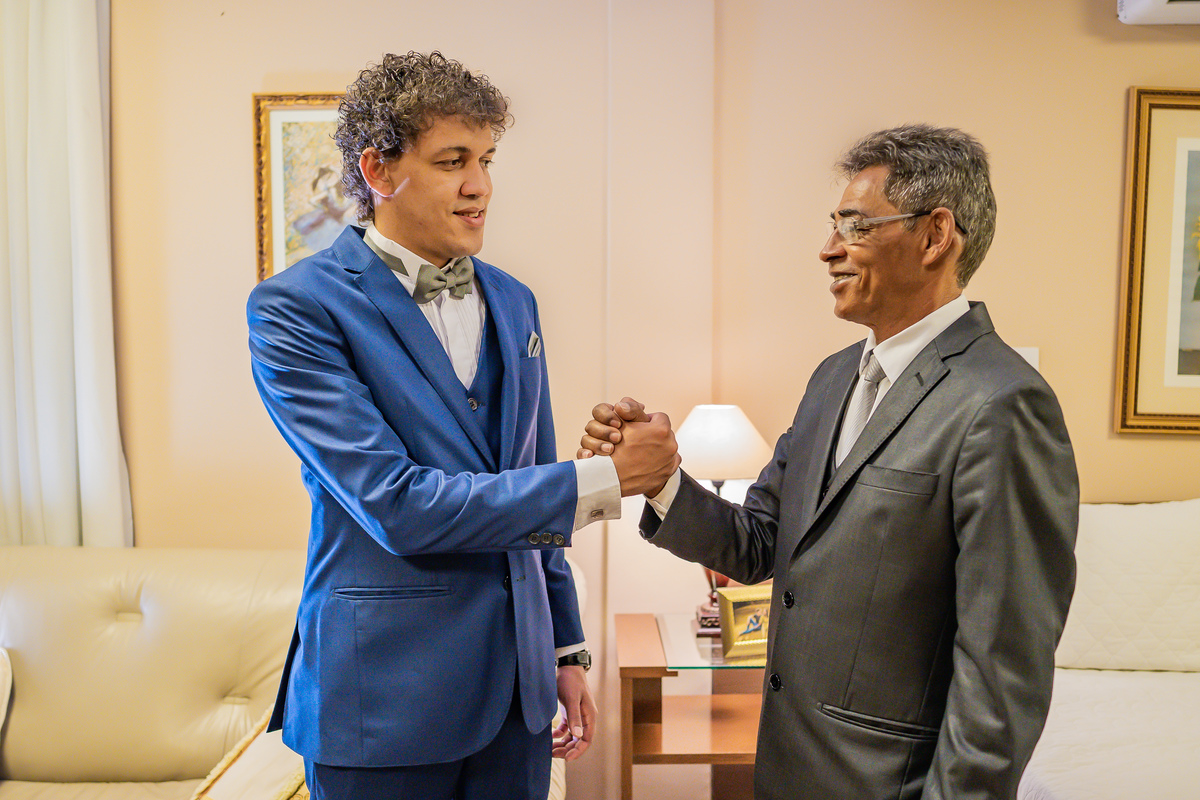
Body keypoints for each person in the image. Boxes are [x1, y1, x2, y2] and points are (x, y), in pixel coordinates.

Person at [581, 125, 1079, 800]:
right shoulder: (833, 378)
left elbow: (1002, 669)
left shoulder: (1002, 403)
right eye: (833, 225)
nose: (828, 249)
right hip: (787, 768)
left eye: (855, 226)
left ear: (935, 236)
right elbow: (760, 542)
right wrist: (663, 480)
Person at [247, 52, 674, 800]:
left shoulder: (515, 301)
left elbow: (529, 477)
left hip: (519, 698)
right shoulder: (295, 308)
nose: (480, 185)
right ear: (379, 170)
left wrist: (564, 649)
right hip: (382, 700)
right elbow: (396, 505)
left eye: (486, 160)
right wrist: (604, 479)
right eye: (453, 161)